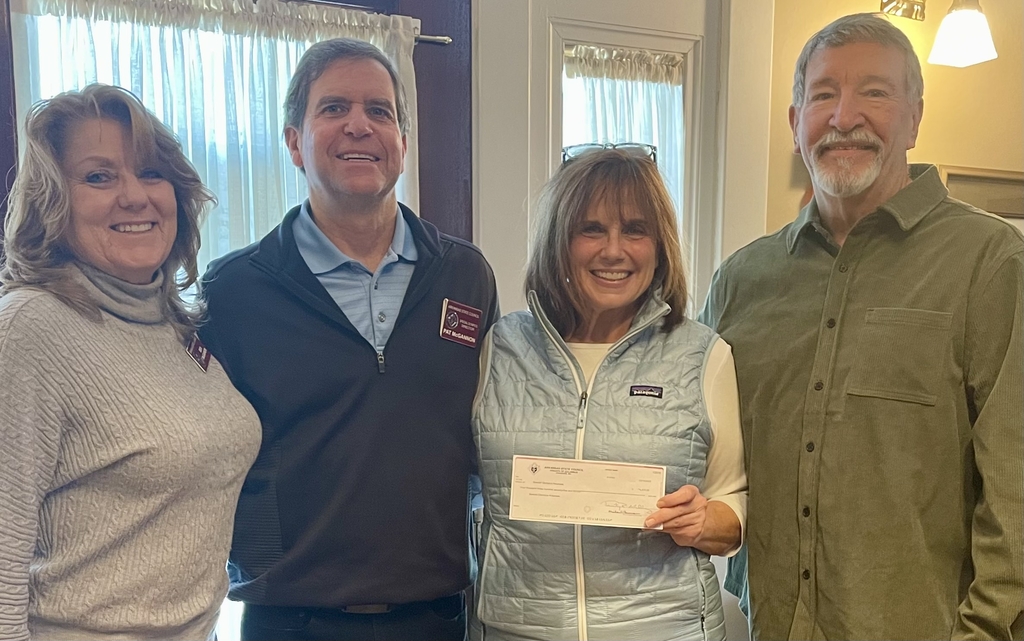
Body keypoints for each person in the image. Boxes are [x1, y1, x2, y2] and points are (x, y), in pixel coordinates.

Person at [700, 13, 1024, 641]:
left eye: (874, 91)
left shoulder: (990, 263)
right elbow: (701, 453)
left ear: (914, 116)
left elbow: (1015, 482)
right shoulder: (742, 281)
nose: (845, 115)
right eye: (823, 94)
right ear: (796, 124)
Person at [199, 38, 499, 641]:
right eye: (334, 108)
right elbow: (204, 456)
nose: (360, 126)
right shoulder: (234, 292)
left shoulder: (466, 276)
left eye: (380, 111)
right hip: (289, 619)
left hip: (436, 617)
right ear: (294, 143)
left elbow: (494, 430)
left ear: (404, 146)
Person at [0, 84, 261, 641]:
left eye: (150, 172)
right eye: (99, 176)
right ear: (53, 200)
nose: (134, 196)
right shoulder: (30, 328)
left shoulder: (173, 324)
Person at [471, 145, 747, 640]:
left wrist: (704, 521)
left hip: (664, 629)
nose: (614, 250)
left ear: (660, 244)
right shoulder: (500, 347)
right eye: (591, 229)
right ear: (560, 240)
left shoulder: (703, 355)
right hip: (519, 628)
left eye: (635, 230)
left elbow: (734, 503)